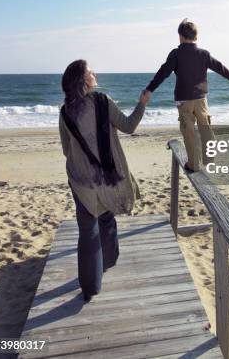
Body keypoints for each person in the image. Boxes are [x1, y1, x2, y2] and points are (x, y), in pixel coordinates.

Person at [59, 59, 149, 302]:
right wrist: (141, 104)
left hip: (80, 182)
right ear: (83, 79)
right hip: (106, 178)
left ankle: (90, 288)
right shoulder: (102, 100)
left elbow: (67, 150)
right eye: (90, 71)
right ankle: (108, 261)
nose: (94, 73)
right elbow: (129, 126)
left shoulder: (65, 111)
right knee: (106, 216)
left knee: (88, 231)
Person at [144, 19, 229, 171]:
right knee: (205, 127)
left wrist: (149, 89)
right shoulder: (203, 54)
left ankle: (194, 164)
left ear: (180, 36)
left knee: (188, 130)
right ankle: (210, 161)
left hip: (183, 100)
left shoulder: (176, 54)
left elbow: (163, 73)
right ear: (196, 37)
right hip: (201, 98)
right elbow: (219, 67)